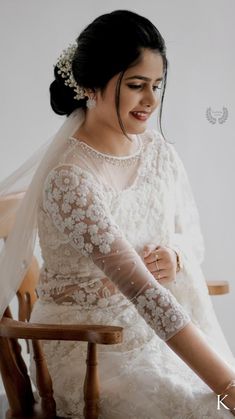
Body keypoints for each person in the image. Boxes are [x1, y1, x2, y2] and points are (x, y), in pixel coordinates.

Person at [0, 9, 235, 419]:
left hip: (152, 333)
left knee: (210, 399)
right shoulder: (70, 179)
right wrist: (229, 387)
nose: (151, 100)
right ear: (92, 84)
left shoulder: (159, 152)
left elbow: (189, 235)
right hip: (90, 345)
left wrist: (176, 256)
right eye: (136, 85)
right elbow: (145, 295)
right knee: (206, 406)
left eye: (157, 85)